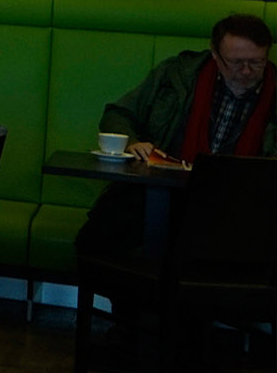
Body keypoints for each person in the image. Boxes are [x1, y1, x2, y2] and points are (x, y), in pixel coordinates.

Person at [76, 14, 274, 255]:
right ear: (215, 54)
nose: (246, 71)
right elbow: (119, 114)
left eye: (256, 62)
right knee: (97, 237)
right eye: (236, 62)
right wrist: (133, 143)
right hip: (164, 191)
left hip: (240, 205)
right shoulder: (178, 74)